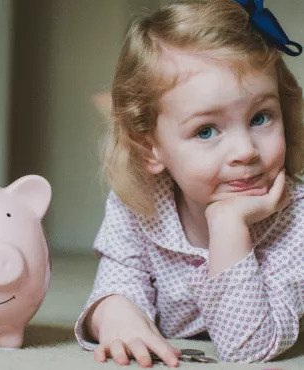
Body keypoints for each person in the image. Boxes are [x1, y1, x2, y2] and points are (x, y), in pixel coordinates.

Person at [74, 0, 304, 366]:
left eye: (261, 117)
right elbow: (118, 280)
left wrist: (228, 225)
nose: (245, 151)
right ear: (150, 147)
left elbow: (250, 347)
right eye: (206, 130)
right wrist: (113, 311)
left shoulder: (295, 218)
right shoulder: (141, 205)